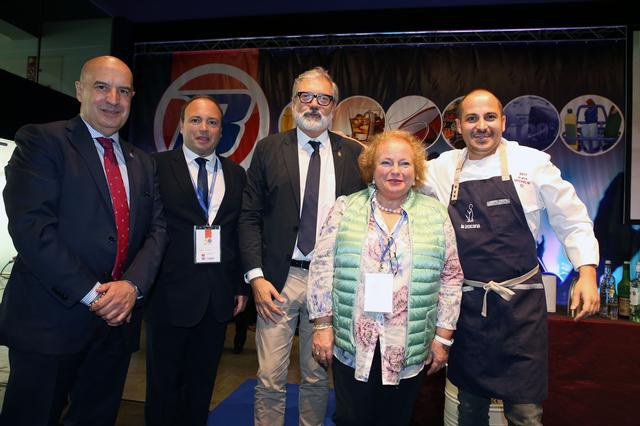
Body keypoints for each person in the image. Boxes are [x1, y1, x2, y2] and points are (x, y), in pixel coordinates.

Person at [0, 55, 168, 426]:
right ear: (80, 90)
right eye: (102, 87)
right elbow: (32, 228)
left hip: (117, 326)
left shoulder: (143, 162)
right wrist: (95, 295)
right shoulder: (42, 141)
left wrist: (131, 286)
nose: (113, 99)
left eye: (123, 91)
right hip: (50, 322)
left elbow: (157, 232)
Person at [424, 89, 600, 426]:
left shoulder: (532, 163)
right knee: (468, 410)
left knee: (525, 415)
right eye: (472, 119)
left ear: (503, 122)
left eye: (490, 117)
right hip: (469, 309)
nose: (482, 126)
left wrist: (587, 272)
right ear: (458, 127)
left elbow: (572, 218)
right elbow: (396, 170)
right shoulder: (442, 168)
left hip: (521, 312)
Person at [307, 129, 463, 426]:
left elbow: (451, 277)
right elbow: (323, 267)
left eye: (404, 163)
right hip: (352, 343)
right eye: (386, 162)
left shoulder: (436, 214)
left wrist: (443, 338)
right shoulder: (346, 208)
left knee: (396, 419)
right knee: (351, 419)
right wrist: (322, 326)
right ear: (372, 168)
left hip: (408, 345)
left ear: (416, 171)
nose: (395, 171)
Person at [239, 66, 364, 426]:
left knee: (316, 376)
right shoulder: (268, 150)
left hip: (330, 281)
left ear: (334, 106)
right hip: (278, 281)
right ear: (293, 102)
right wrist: (256, 278)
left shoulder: (353, 154)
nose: (314, 104)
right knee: (269, 377)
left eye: (323, 98)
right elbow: (249, 216)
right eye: (306, 96)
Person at [144, 96, 248, 426]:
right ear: (181, 126)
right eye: (196, 120)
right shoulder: (155, 166)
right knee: (163, 387)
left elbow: (237, 233)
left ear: (221, 130)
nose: (204, 128)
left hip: (217, 299)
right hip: (168, 296)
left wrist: (239, 285)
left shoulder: (236, 174)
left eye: (212, 122)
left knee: (201, 387)